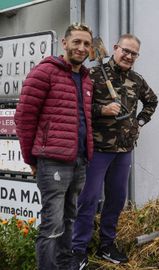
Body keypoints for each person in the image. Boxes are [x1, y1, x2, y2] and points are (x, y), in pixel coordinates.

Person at [71, 34, 158, 267]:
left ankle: (106, 245)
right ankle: (78, 249)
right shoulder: (92, 75)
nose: (128, 56)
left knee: (117, 199)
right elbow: (78, 106)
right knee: (88, 199)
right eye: (125, 51)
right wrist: (102, 110)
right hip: (98, 149)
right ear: (115, 48)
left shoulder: (137, 80)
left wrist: (139, 123)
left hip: (124, 149)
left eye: (134, 53)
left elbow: (152, 101)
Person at [14, 23, 94, 270]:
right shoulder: (45, 72)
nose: (81, 48)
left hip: (79, 161)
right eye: (77, 42)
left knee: (70, 219)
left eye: (86, 44)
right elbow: (24, 117)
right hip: (53, 162)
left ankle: (65, 266)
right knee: (52, 225)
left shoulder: (86, 79)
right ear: (64, 43)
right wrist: (31, 160)